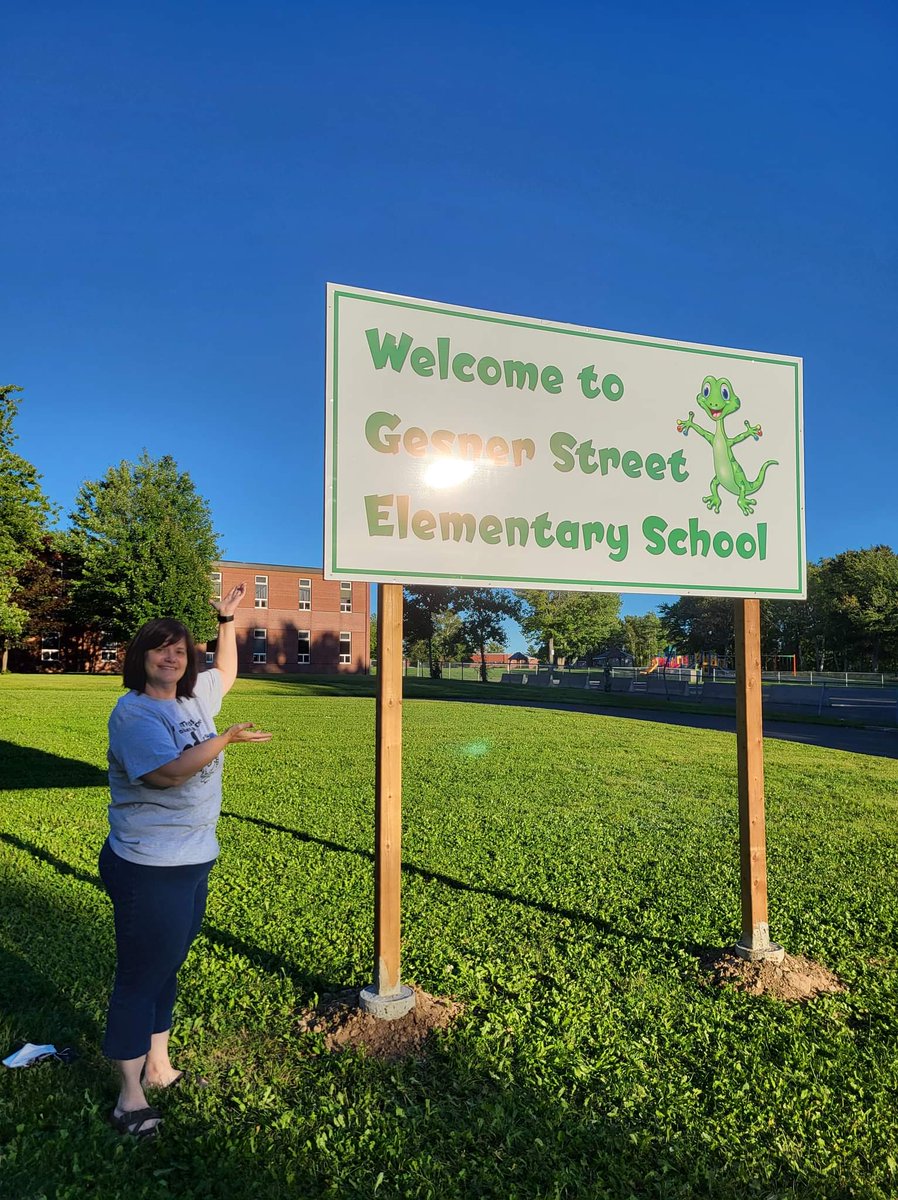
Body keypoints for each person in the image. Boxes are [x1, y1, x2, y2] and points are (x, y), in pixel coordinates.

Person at [100, 582, 271, 1139]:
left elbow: (229, 669)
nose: (173, 657)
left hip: (193, 858)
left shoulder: (194, 697)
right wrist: (225, 739)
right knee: (139, 976)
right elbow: (168, 773)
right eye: (160, 649)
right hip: (149, 865)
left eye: (180, 650)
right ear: (141, 658)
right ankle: (129, 1098)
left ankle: (159, 1065)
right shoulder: (134, 716)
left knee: (166, 965)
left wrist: (225, 622)